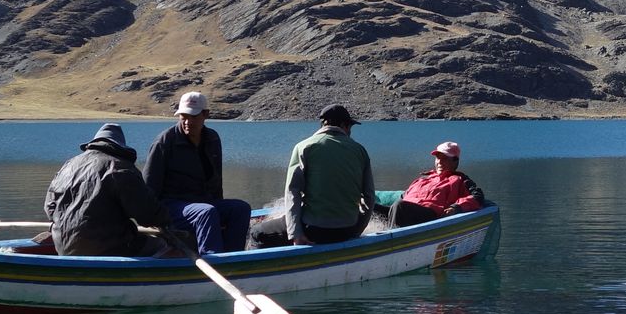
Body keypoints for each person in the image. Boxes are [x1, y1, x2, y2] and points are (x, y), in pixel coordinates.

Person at [249, 104, 377, 248]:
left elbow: (293, 193)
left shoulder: (304, 147)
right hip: (348, 229)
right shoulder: (360, 150)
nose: (350, 132)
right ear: (343, 125)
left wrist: (295, 233)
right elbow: (369, 197)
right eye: (350, 127)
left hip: (314, 230)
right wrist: (356, 230)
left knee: (256, 232)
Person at [143, 91, 251, 255]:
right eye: (183, 116)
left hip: (202, 202)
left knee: (241, 208)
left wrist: (219, 208)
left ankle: (232, 258)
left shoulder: (212, 138)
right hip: (171, 206)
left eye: (193, 116)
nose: (187, 122)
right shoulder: (165, 142)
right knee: (206, 212)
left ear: (205, 114)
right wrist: (154, 220)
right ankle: (213, 260)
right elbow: (149, 186)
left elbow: (216, 180)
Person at [44, 123, 168, 256]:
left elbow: (49, 208)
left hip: (62, 246)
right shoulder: (121, 168)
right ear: (120, 146)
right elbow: (147, 214)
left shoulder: (68, 165)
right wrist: (167, 221)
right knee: (162, 245)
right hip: (108, 248)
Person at [389, 140, 487, 226]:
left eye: (444, 158)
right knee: (375, 208)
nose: (439, 162)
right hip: (404, 212)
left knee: (399, 206)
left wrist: (456, 208)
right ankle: (380, 238)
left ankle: (391, 241)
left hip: (430, 216)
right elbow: (404, 197)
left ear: (455, 161)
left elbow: (477, 197)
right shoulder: (423, 178)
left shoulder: (460, 179)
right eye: (437, 158)